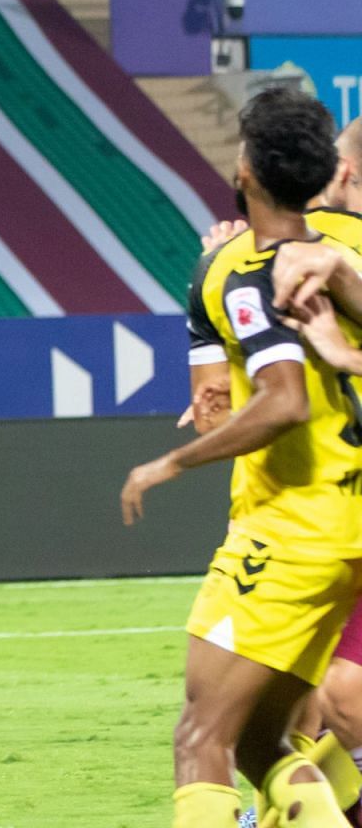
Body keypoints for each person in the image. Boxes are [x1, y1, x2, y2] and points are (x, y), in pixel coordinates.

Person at [121, 87, 362, 827]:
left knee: (202, 736)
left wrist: (173, 462)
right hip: (346, 523)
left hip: (290, 533)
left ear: (246, 168)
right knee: (275, 739)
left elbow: (280, 401)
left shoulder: (242, 266)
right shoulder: (342, 249)